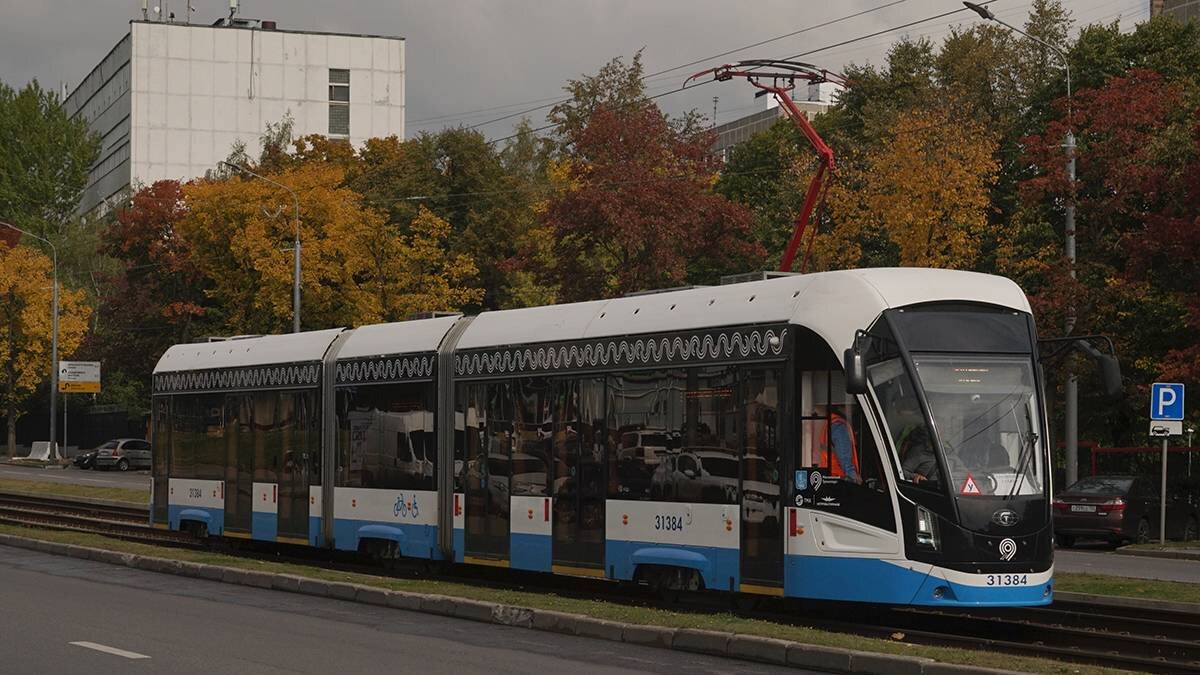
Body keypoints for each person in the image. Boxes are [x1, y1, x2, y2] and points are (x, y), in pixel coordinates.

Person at [817, 406, 861, 484]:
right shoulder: (839, 426)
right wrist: (855, 478)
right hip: (841, 480)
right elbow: (844, 458)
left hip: (829, 478)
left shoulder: (829, 423)